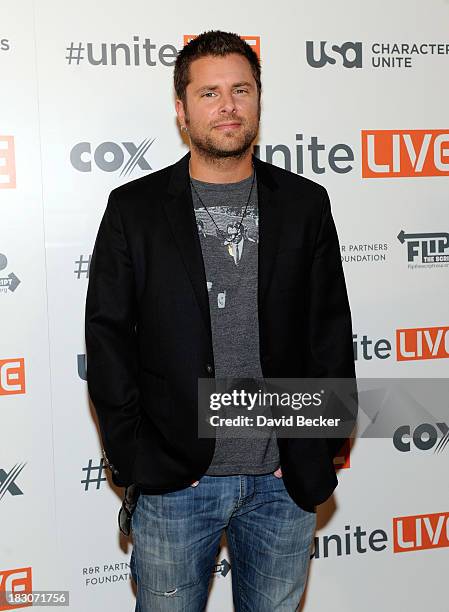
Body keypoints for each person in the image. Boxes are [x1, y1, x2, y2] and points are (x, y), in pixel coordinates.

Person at [85, 30, 356, 612]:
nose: (227, 105)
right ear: (183, 111)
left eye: (241, 89)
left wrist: (313, 448)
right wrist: (140, 460)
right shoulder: (133, 209)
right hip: (177, 483)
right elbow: (108, 343)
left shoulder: (306, 204)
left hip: (282, 483)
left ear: (258, 99)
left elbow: (329, 337)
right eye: (209, 93)